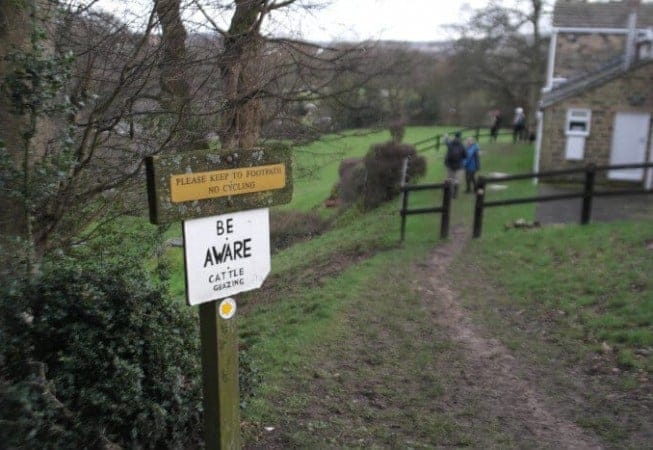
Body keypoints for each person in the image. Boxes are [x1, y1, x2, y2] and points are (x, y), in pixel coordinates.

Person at [444, 132, 467, 198]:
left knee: (450, 178)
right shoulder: (462, 145)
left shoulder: (450, 143)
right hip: (459, 165)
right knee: (457, 180)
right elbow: (465, 155)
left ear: (454, 137)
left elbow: (446, 141)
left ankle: (450, 193)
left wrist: (446, 136)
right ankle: (455, 194)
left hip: (450, 165)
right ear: (460, 137)